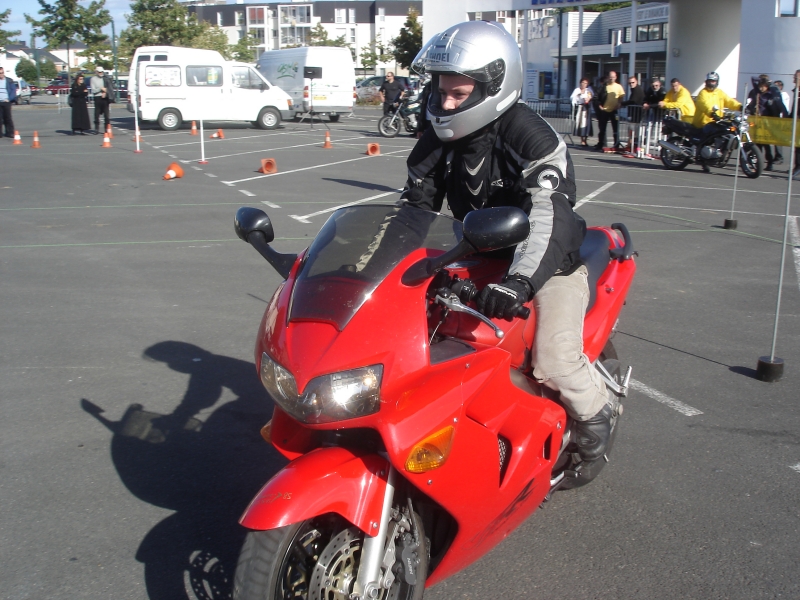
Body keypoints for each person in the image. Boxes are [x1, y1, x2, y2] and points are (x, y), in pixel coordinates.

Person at [402, 21, 613, 462]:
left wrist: (519, 283)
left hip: (549, 264)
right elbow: (412, 212)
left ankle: (599, 418)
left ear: (493, 87)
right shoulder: (436, 139)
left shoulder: (531, 138)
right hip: (477, 254)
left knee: (554, 361)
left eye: (458, 94)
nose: (445, 103)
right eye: (441, 91)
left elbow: (549, 215)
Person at [745, 76, 787, 171]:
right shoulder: (757, 94)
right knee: (757, 144)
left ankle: (770, 162)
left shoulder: (771, 95)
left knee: (766, 144)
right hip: (757, 122)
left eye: (763, 86)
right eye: (760, 85)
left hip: (767, 122)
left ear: (767, 86)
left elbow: (780, 107)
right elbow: (753, 79)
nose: (761, 88)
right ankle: (757, 162)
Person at [594, 70, 625, 150]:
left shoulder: (618, 86)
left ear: (616, 77)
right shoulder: (604, 86)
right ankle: (600, 143)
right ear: (608, 77)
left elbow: (621, 96)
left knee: (615, 128)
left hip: (614, 110)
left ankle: (616, 144)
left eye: (613, 77)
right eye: (610, 77)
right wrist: (599, 105)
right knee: (602, 128)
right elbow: (596, 97)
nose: (611, 79)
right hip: (605, 110)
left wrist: (619, 104)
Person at [621, 76, 644, 151]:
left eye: (633, 82)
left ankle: (634, 146)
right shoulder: (634, 89)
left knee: (634, 130)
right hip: (634, 113)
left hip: (637, 114)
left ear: (636, 82)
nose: (631, 84)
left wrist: (622, 104)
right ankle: (631, 145)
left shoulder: (637, 90)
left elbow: (633, 101)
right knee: (632, 130)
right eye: (629, 83)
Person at [90, 66, 114, 134]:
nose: (101, 73)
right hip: (97, 98)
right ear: (96, 72)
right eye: (99, 72)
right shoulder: (93, 79)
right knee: (97, 114)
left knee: (106, 115)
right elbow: (93, 90)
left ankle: (107, 129)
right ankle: (96, 128)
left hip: (105, 98)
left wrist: (106, 92)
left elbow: (109, 88)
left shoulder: (105, 78)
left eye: (102, 72)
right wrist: (100, 89)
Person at [570, 77, 594, 146]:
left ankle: (585, 139)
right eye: (583, 82)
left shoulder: (588, 90)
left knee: (587, 124)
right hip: (580, 107)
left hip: (587, 108)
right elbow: (572, 97)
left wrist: (588, 98)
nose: (584, 84)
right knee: (581, 123)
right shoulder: (577, 90)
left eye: (585, 83)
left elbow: (592, 96)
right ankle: (582, 140)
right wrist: (578, 95)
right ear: (580, 83)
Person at [0, 66, 18, 139]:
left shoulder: (9, 80)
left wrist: (9, 99)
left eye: (2, 73)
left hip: (6, 102)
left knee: (7, 118)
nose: (1, 74)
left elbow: (13, 90)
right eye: (0, 73)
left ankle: (10, 132)